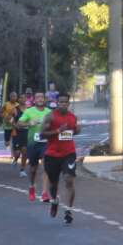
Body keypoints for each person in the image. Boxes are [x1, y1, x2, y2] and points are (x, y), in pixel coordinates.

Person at [41, 92, 81, 224]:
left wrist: (77, 129)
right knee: (54, 184)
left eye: (65, 102)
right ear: (56, 103)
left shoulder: (73, 117)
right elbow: (42, 135)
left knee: (69, 179)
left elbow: (75, 131)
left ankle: (68, 211)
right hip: (52, 154)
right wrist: (58, 131)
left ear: (69, 104)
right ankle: (54, 200)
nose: (63, 104)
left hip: (68, 153)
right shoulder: (50, 116)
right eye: (61, 102)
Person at [17, 92, 51, 202]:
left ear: (45, 99)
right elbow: (19, 123)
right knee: (33, 169)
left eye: (42, 97)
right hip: (33, 143)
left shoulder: (49, 112)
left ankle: (45, 193)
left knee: (46, 166)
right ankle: (32, 186)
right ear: (34, 100)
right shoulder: (29, 111)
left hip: (46, 143)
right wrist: (29, 123)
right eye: (38, 97)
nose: (40, 99)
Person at [11, 94, 29, 176]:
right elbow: (11, 121)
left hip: (26, 132)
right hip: (17, 133)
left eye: (24, 98)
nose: (23, 99)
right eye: (21, 98)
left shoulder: (29, 109)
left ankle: (22, 170)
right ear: (19, 100)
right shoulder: (15, 110)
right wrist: (16, 126)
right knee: (18, 153)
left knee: (25, 151)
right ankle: (15, 159)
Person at [0, 91, 20, 162]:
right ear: (10, 97)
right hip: (7, 126)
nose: (14, 98)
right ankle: (9, 148)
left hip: (14, 126)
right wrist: (5, 117)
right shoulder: (6, 104)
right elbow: (0, 112)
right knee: (7, 143)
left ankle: (12, 155)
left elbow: (19, 115)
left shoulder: (18, 105)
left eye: (15, 96)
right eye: (12, 96)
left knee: (14, 141)